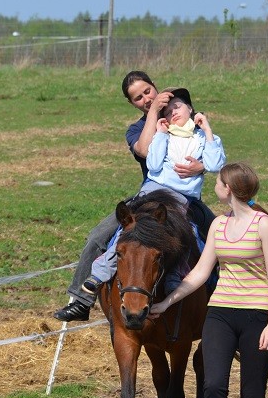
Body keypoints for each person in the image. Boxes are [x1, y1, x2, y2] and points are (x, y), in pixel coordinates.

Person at [150, 162, 268, 398]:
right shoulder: (218, 225)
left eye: (218, 182)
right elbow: (200, 272)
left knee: (252, 395)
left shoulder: (263, 224)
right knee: (212, 388)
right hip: (220, 313)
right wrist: (167, 301)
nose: (215, 187)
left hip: (257, 315)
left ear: (229, 189)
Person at [53, 72, 215, 322]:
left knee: (219, 239)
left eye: (148, 91)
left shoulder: (184, 115)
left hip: (186, 199)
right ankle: (82, 300)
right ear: (132, 104)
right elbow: (145, 150)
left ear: (155, 86)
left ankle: (218, 311)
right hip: (148, 197)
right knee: (98, 236)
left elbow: (212, 151)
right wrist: (154, 114)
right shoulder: (137, 129)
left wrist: (200, 167)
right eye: (138, 98)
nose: (146, 99)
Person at [83, 87, 225, 295]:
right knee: (130, 228)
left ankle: (181, 277)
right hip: (153, 189)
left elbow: (215, 165)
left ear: (190, 109)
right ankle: (101, 271)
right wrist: (160, 135)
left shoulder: (204, 138)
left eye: (178, 107)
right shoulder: (164, 135)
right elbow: (154, 164)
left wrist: (208, 131)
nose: (173, 112)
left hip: (181, 196)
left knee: (189, 233)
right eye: (167, 112)